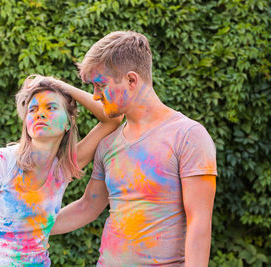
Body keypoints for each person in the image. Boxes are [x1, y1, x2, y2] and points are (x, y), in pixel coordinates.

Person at [41, 31, 217, 266]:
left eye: (100, 85)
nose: (95, 96)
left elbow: (199, 223)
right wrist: (30, 225)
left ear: (131, 80)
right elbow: (87, 207)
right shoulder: (108, 144)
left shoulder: (188, 136)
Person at [0, 75, 122, 266]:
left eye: (51, 108)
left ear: (69, 123)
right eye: (32, 110)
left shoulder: (63, 168)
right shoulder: (1, 163)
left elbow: (113, 118)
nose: (40, 114)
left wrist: (59, 85)